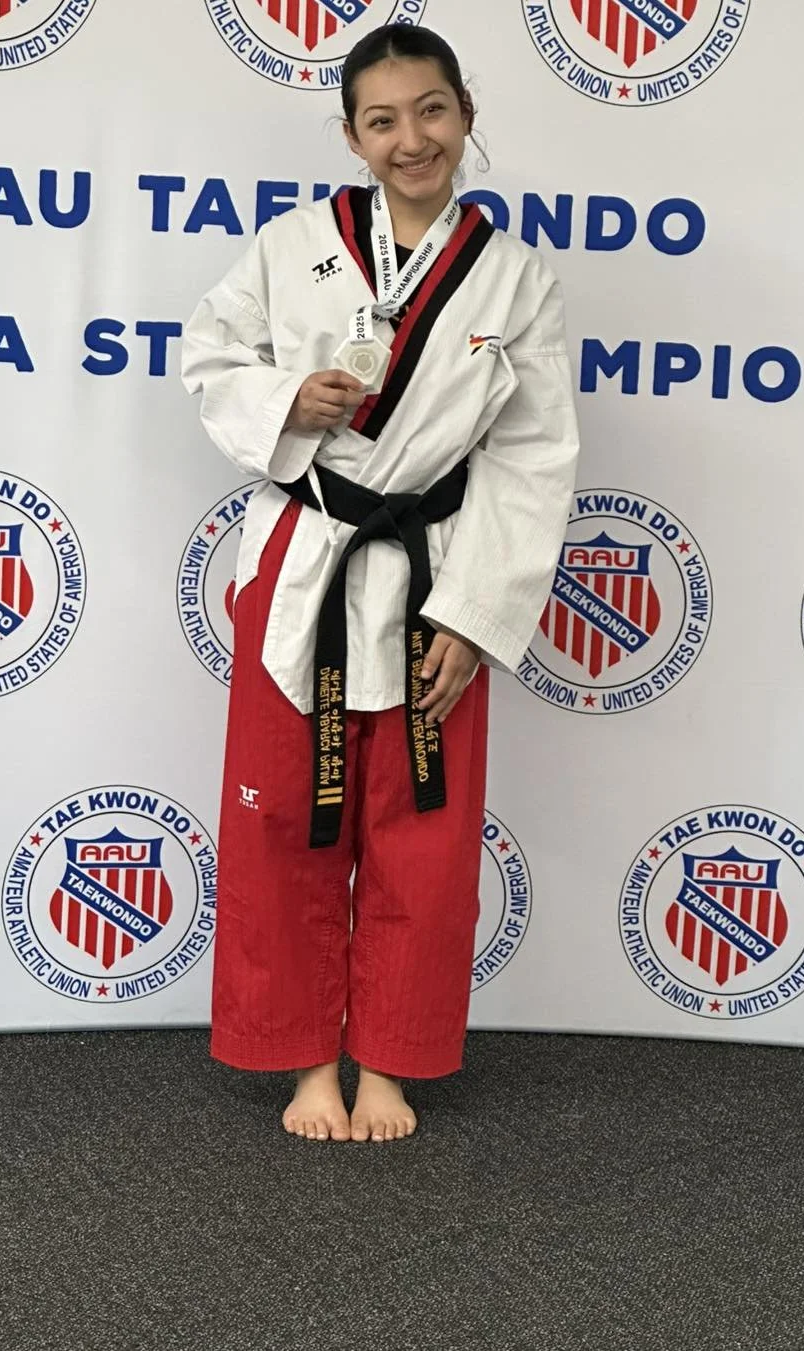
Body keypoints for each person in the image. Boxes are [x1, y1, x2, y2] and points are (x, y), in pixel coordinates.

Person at [181, 23, 579, 1144]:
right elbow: (210, 354)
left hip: (433, 583)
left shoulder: (514, 277)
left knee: (424, 832)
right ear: (352, 134)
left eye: (434, 110)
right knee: (283, 826)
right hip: (304, 566)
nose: (414, 140)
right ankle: (307, 1060)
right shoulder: (292, 244)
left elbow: (533, 452)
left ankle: (392, 1062)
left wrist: (478, 612)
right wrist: (283, 406)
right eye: (384, 119)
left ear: (466, 112)